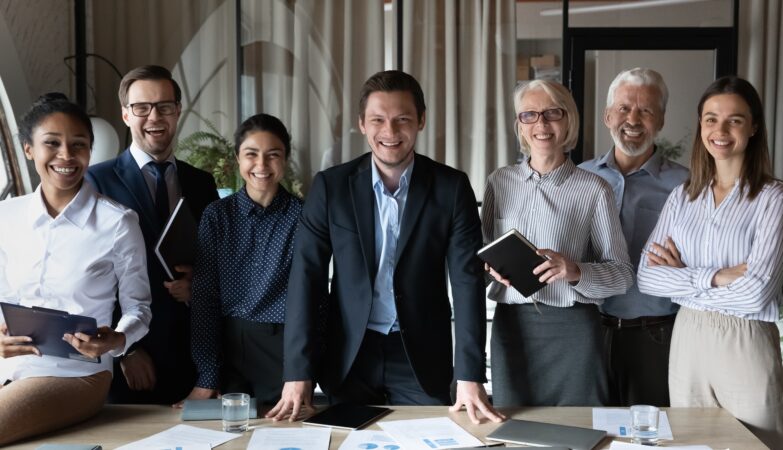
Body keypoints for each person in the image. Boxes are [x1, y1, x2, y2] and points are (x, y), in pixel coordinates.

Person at [267, 70, 504, 424]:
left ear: (421, 121)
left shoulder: (451, 188)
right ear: (362, 123)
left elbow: (467, 281)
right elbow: (306, 278)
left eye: (402, 119)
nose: (390, 132)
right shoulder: (331, 187)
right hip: (350, 357)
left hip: (422, 359)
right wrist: (297, 371)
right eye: (378, 119)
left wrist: (469, 373)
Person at [637, 76, 783, 448]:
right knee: (690, 443)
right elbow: (647, 279)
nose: (721, 129)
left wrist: (683, 280)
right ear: (701, 125)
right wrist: (718, 277)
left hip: (746, 341)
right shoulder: (682, 197)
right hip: (688, 339)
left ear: (753, 127)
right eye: (711, 118)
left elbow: (756, 295)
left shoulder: (773, 199)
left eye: (735, 119)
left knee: (755, 444)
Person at [0, 94, 151, 445]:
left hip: (77, 373)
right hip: (10, 367)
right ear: (28, 150)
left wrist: (117, 340)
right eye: (51, 143)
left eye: (78, 145)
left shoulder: (118, 223)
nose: (66, 155)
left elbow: (139, 309)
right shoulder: (5, 216)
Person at [483, 79, 634, 407]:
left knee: (578, 430)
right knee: (516, 428)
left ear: (568, 121)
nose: (541, 124)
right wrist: (488, 268)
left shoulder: (595, 189)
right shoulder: (499, 182)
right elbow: (480, 260)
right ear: (519, 125)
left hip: (573, 329)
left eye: (552, 113)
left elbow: (623, 274)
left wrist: (574, 270)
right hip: (512, 328)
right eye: (530, 115)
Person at [86, 65, 218, 405]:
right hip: (131, 361)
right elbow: (88, 278)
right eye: (142, 107)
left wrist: (198, 286)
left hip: (192, 356)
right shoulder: (96, 182)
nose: (154, 116)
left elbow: (218, 262)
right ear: (126, 115)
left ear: (178, 111)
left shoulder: (201, 183)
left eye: (164, 106)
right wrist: (125, 349)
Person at [579, 68, 689, 406]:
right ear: (607, 115)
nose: (633, 119)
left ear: (661, 120)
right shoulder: (579, 179)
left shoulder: (687, 187)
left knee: (651, 437)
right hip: (587, 333)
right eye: (624, 108)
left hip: (655, 338)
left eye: (646, 110)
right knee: (586, 433)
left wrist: (684, 268)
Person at [176, 114, 302, 406]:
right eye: (251, 155)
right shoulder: (217, 215)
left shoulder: (304, 217)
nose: (261, 165)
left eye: (273, 155)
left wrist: (303, 371)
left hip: (285, 349)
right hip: (229, 347)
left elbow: (315, 299)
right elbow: (205, 296)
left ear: (285, 159)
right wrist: (207, 376)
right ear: (237, 159)